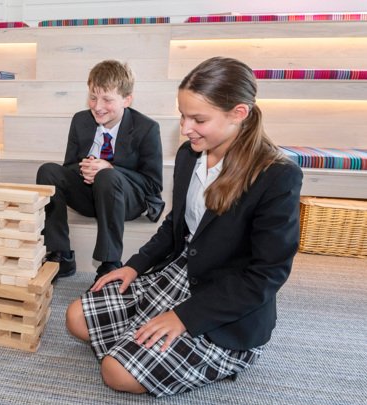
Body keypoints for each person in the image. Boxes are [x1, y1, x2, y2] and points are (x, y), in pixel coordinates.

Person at [64, 57, 303, 396]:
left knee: (115, 372)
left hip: (227, 302)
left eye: (198, 119)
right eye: (182, 115)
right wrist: (134, 266)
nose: (186, 127)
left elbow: (266, 276)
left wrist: (185, 318)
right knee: (75, 316)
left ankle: (220, 354)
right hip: (180, 275)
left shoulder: (277, 175)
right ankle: (144, 341)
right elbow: (176, 225)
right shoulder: (190, 155)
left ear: (239, 113)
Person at [36, 60, 164, 280]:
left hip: (127, 200)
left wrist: (110, 167)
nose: (97, 106)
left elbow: (153, 185)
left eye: (107, 99)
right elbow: (69, 167)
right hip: (91, 196)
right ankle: (61, 254)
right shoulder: (80, 121)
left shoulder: (147, 128)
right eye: (93, 97)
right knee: (48, 171)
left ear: (127, 99)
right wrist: (85, 167)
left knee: (106, 175)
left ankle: (110, 262)